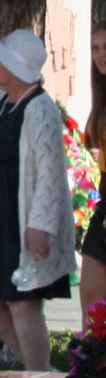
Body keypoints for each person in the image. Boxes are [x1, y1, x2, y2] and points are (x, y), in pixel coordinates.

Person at [0, 28, 77, 373]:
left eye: (1, 59)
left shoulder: (40, 108)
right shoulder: (6, 103)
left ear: (17, 68)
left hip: (23, 224)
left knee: (22, 304)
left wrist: (39, 226)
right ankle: (40, 370)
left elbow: (49, 174)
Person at [80, 24, 106, 320]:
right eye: (95, 47)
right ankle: (90, 365)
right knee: (90, 295)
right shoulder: (100, 96)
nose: (101, 54)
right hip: (103, 204)